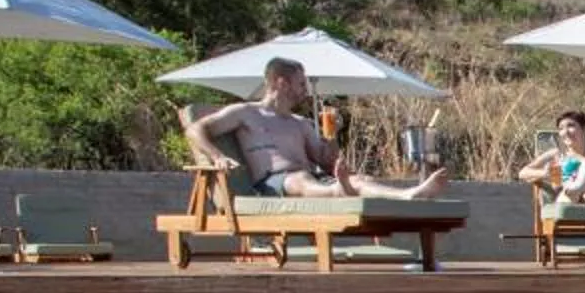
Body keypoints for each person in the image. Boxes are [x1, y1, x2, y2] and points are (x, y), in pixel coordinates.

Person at [185, 58, 451, 199]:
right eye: (301, 84)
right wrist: (217, 156)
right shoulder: (246, 113)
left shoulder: (302, 124)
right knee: (302, 180)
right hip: (275, 183)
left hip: (313, 179)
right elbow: (195, 129)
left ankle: (401, 194)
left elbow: (326, 161)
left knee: (362, 180)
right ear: (280, 83)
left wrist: (331, 137)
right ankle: (383, 194)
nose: (305, 91)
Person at [517, 111, 585, 203]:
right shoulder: (557, 154)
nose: (565, 132)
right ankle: (583, 194)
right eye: (561, 128)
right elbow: (523, 173)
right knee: (570, 191)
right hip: (570, 196)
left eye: (571, 126)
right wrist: (546, 173)